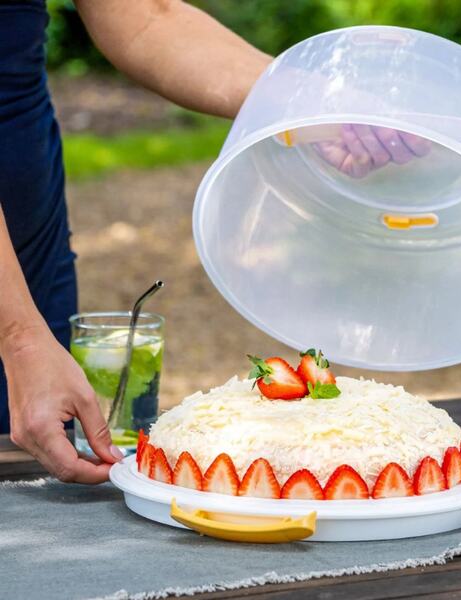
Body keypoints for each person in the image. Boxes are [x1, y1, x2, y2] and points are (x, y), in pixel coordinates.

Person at [0, 0, 428, 484]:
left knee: (43, 463)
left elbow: (147, 19)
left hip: (28, 218)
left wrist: (323, 101)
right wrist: (20, 337)